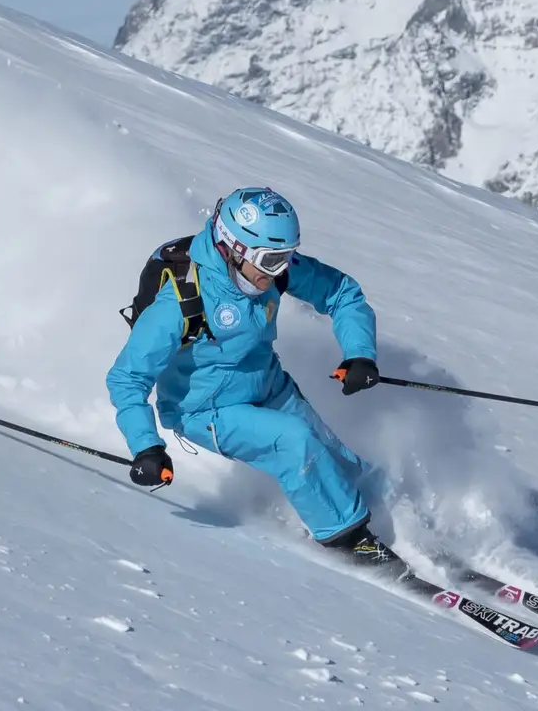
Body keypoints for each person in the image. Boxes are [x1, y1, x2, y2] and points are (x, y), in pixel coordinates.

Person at [106, 186, 394, 564]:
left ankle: (385, 521)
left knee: (341, 466)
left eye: (287, 256)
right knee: (294, 442)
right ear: (234, 248)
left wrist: (360, 354)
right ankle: (349, 541)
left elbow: (342, 293)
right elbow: (127, 378)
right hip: (205, 411)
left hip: (269, 385)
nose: (282, 269)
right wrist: (146, 447)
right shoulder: (180, 302)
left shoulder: (270, 271)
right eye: (272, 259)